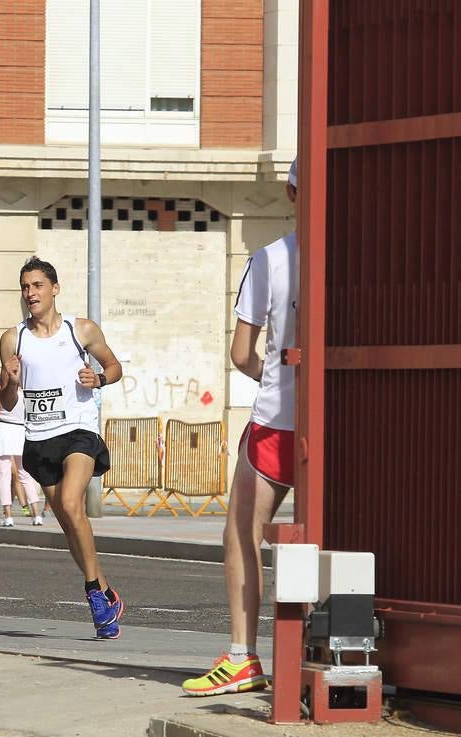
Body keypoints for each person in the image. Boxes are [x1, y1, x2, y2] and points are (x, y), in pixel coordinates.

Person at [182, 158, 298, 695]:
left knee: (241, 534)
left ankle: (243, 656)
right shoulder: (362, 255)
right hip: (340, 420)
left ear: (292, 195)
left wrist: (273, 373)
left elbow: (241, 352)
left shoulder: (270, 259)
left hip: (277, 419)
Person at [0, 255, 125, 639]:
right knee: (70, 524)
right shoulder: (12, 338)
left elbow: (115, 366)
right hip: (38, 439)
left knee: (73, 504)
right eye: (25, 287)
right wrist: (9, 380)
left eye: (37, 285)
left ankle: (92, 593)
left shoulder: (80, 329)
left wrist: (98, 378)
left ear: (54, 289)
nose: (30, 293)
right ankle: (106, 591)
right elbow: (6, 402)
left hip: (78, 431)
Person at [0, 376, 42, 527]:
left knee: (4, 475)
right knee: (24, 474)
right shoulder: (24, 393)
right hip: (21, 431)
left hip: (4, 431)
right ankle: (37, 515)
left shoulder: (4, 395)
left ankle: (8, 516)